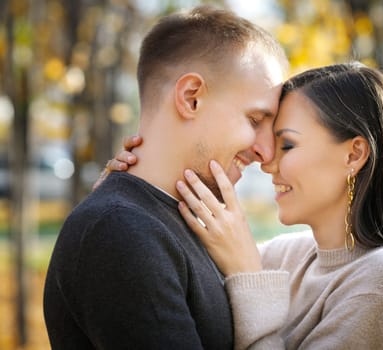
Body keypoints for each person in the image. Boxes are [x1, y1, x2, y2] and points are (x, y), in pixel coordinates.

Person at [107, 62, 383, 349]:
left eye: (288, 145)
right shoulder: (285, 256)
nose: (268, 162)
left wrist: (249, 277)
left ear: (354, 154)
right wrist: (131, 187)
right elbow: (172, 261)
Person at [43, 5, 288, 349]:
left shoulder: (180, 226)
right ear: (191, 98)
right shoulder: (121, 232)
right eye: (255, 119)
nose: (267, 151)